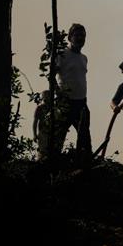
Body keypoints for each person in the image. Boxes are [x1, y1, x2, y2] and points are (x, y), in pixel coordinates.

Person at [54, 23, 92, 165]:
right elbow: (52, 76)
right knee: (59, 135)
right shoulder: (62, 54)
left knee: (84, 137)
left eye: (83, 36)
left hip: (81, 102)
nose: (80, 38)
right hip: (66, 102)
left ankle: (84, 165)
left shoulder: (84, 58)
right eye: (77, 35)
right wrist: (59, 94)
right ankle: (53, 163)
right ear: (70, 37)